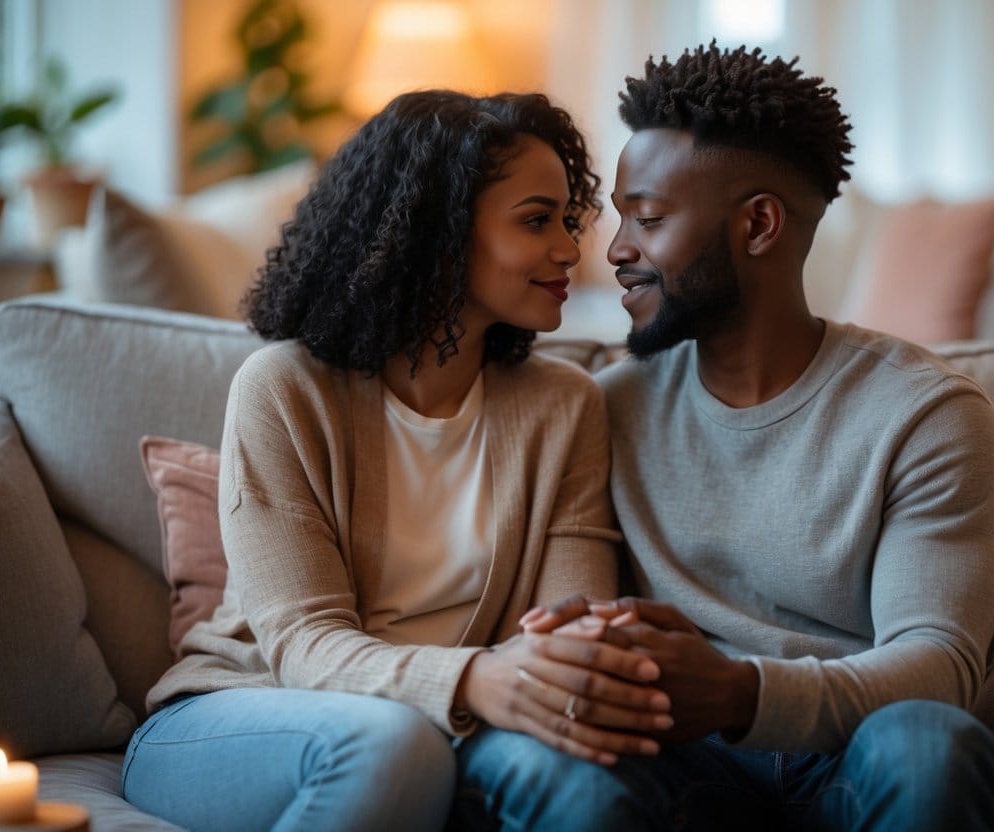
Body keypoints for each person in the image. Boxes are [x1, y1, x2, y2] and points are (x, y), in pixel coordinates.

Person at [451, 44, 994, 831]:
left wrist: (736, 690)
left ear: (757, 224)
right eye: (618, 217)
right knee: (553, 769)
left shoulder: (925, 414)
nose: (614, 250)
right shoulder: (600, 406)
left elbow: (939, 665)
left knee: (933, 745)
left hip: (847, 752)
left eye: (646, 218)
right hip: (677, 759)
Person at [121, 90, 675, 832]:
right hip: (249, 712)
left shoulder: (564, 405)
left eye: (566, 220)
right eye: (537, 221)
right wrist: (476, 676)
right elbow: (301, 643)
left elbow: (564, 623)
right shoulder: (286, 389)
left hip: (461, 723)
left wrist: (578, 669)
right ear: (437, 233)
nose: (571, 250)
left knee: (587, 783)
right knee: (392, 744)